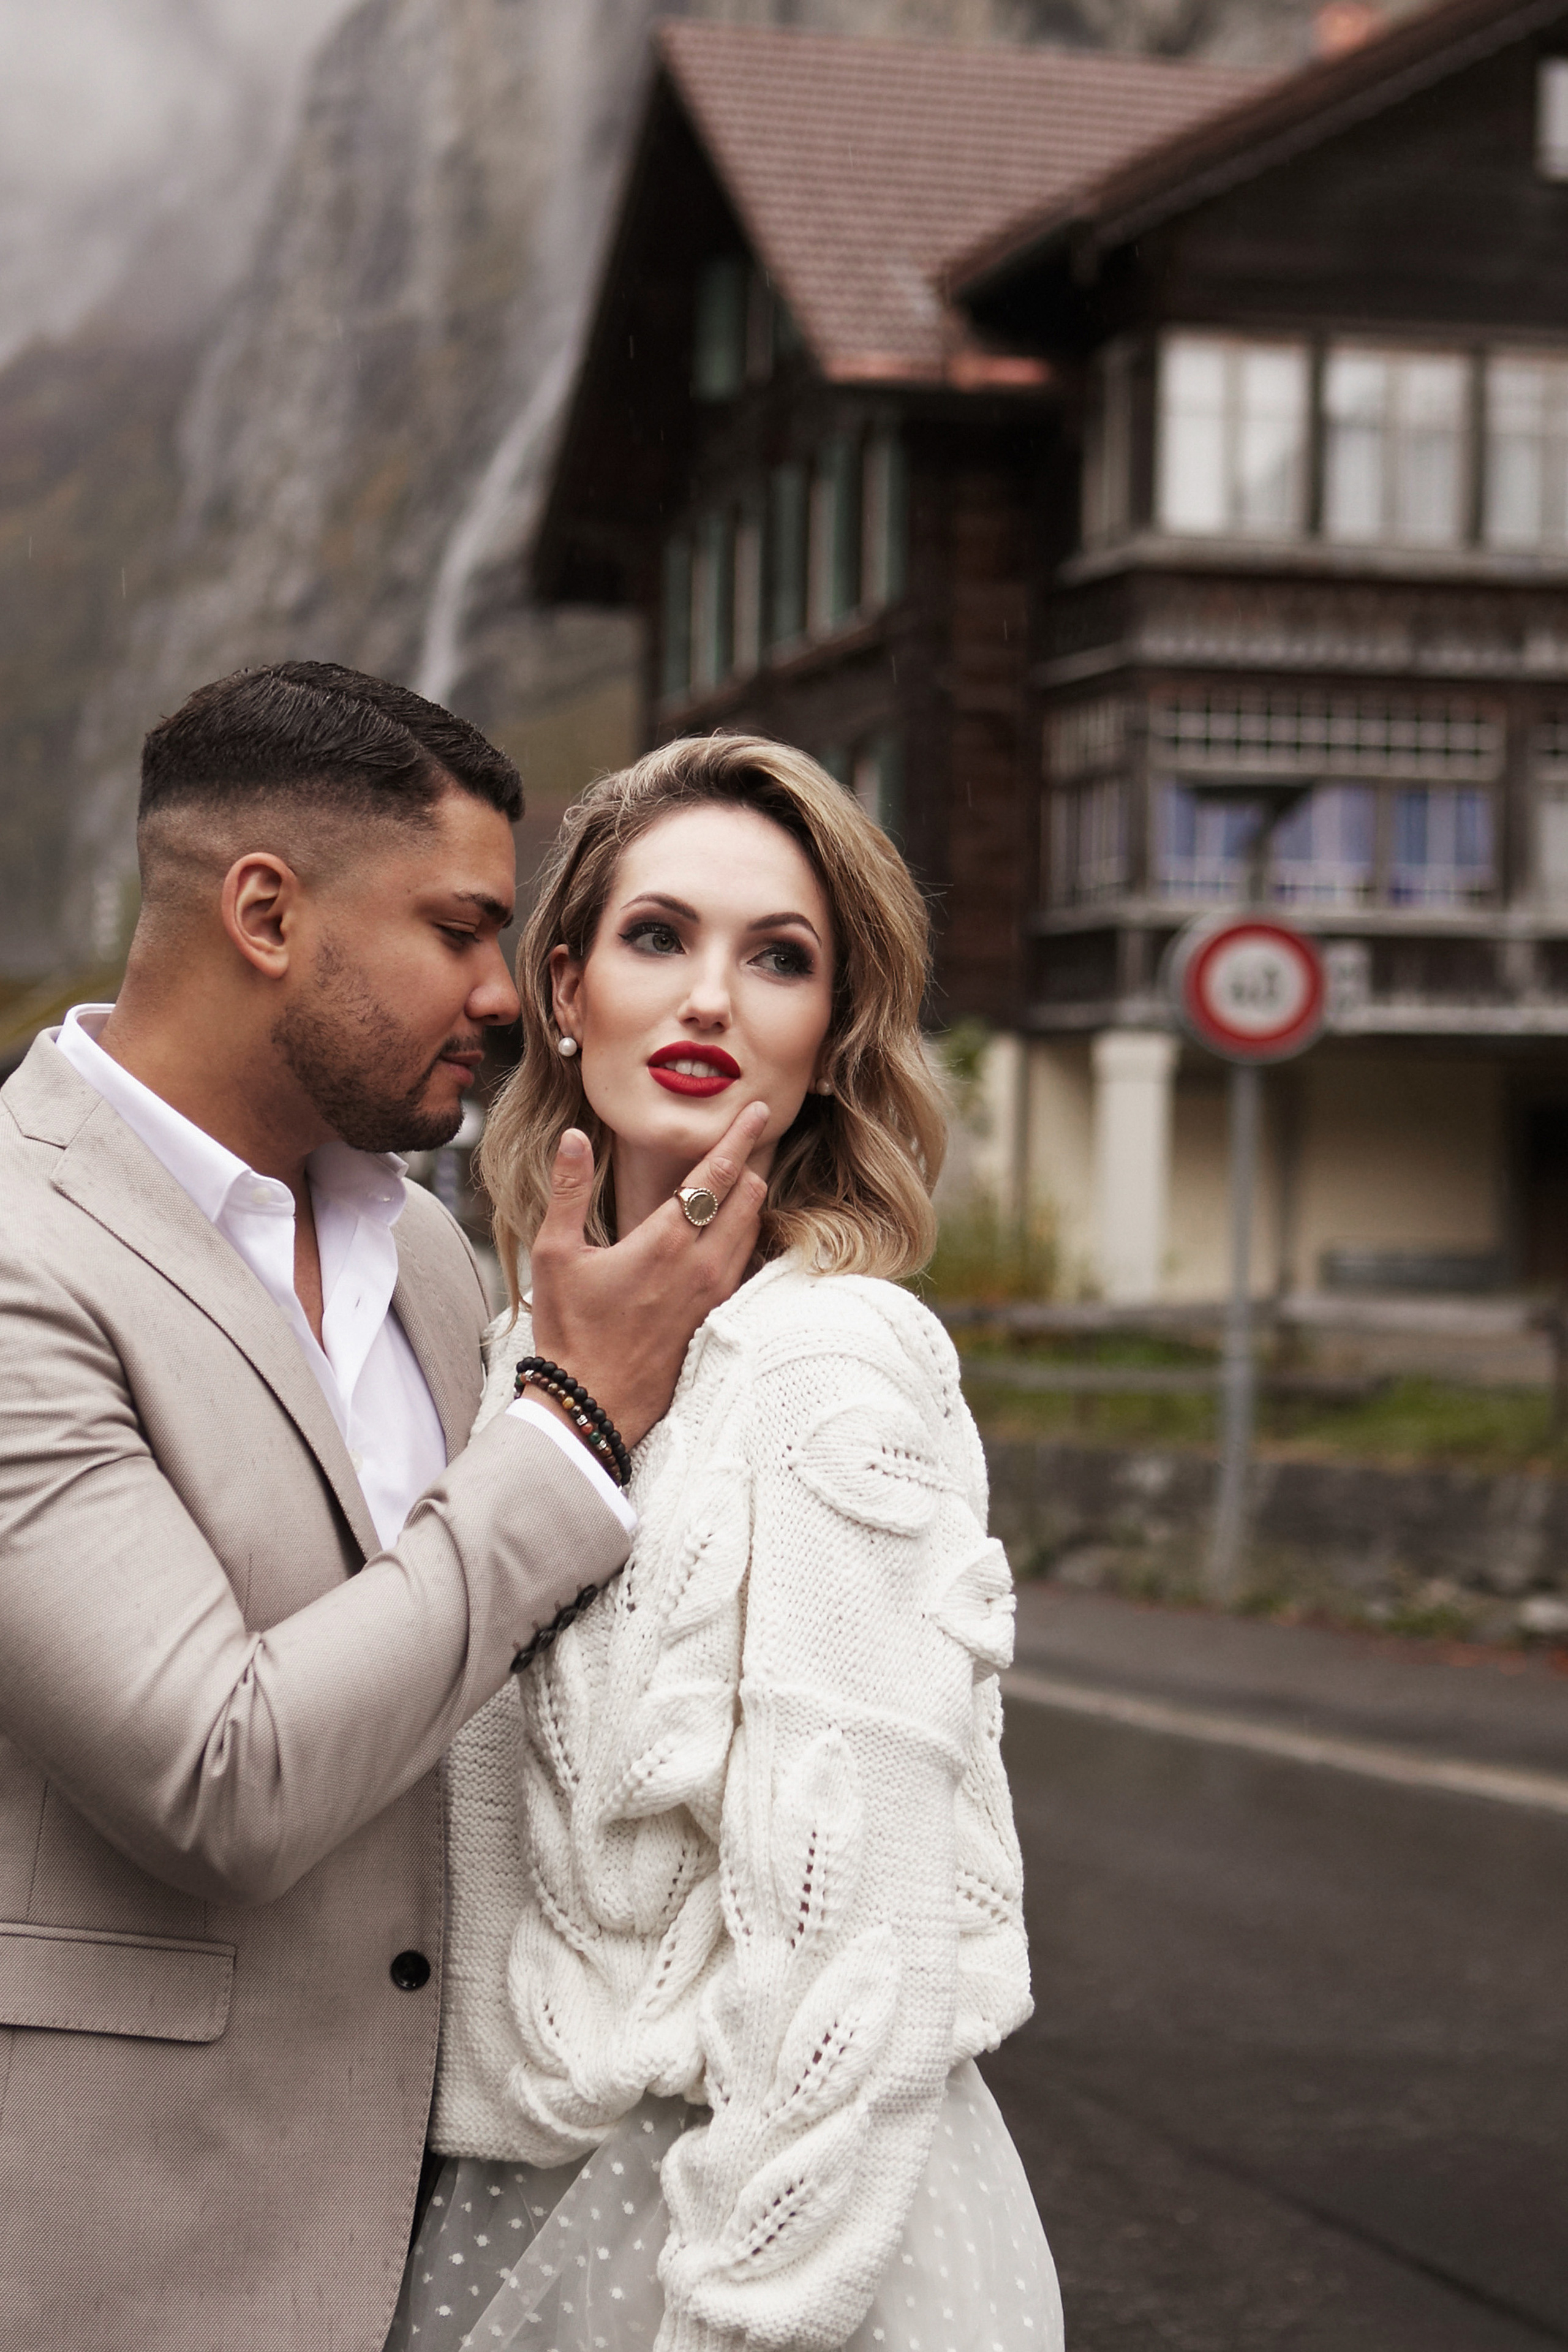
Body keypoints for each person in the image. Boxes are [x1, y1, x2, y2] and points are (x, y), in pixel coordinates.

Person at [0, 664, 767, 2352]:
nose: (512, 998)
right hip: (116, 2250)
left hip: (454, 2240)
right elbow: (223, 1775)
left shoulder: (428, 1251)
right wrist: (571, 1420)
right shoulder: (18, 1255)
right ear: (265, 912)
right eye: (464, 929)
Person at [394, 736, 1062, 2352]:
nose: (708, 999)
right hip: (509, 2203)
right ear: (565, 986)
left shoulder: (835, 1363)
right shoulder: (506, 1365)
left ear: (832, 1038)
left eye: (779, 960)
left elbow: (857, 1958)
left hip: (746, 2238)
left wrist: (740, 2320)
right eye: (657, 936)